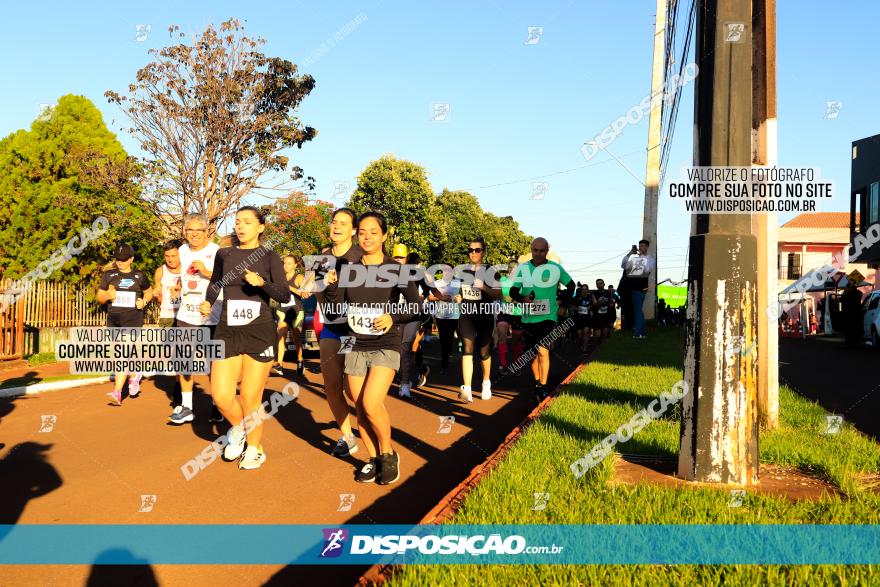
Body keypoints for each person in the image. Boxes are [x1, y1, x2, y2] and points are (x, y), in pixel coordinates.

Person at [322, 211, 423, 485]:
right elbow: (336, 307)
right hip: (354, 342)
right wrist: (330, 287)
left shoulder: (397, 270)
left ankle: (388, 453)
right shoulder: (347, 269)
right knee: (360, 406)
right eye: (363, 232)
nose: (367, 237)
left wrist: (393, 316)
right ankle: (372, 458)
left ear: (384, 235)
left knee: (370, 401)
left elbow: (417, 307)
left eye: (373, 232)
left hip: (385, 343)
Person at [198, 207, 290, 470]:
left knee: (250, 396)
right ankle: (239, 429)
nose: (240, 227)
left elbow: (283, 295)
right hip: (227, 329)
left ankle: (254, 448)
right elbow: (215, 284)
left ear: (260, 227)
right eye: (237, 222)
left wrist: (262, 283)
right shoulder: (224, 253)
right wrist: (207, 303)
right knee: (221, 395)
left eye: (247, 222)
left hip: (259, 330)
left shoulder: (270, 256)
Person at [308, 208, 363, 458]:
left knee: (353, 390)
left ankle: (370, 417)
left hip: (355, 329)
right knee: (331, 385)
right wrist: (318, 283)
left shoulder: (361, 256)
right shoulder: (321, 258)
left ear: (353, 230)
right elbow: (310, 287)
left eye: (343, 223)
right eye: (333, 222)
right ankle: (347, 436)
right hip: (331, 326)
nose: (336, 226)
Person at [169, 215, 224, 425]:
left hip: (211, 316)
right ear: (185, 232)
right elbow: (185, 277)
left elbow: (227, 280)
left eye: (198, 230)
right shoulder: (182, 251)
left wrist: (206, 271)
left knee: (212, 366)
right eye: (190, 230)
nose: (194, 234)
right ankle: (187, 408)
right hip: (186, 315)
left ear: (206, 232)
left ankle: (217, 406)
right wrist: (178, 287)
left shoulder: (217, 251)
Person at [510, 237, 575, 403]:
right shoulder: (523, 269)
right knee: (534, 356)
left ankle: (543, 387)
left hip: (548, 316)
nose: (538, 254)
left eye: (542, 251)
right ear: (531, 250)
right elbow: (513, 291)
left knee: (542, 350)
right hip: (529, 318)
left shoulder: (555, 268)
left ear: (547, 251)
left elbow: (571, 285)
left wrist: (565, 305)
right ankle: (538, 385)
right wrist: (522, 298)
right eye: (535, 250)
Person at [97, 243, 153, 406]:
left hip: (132, 320)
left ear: (131, 259)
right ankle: (135, 374)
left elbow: (148, 291)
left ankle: (117, 392)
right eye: (117, 259)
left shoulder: (139, 276)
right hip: (114, 320)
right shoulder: (109, 275)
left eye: (123, 259)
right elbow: (100, 297)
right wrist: (107, 295)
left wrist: (144, 301)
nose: (120, 262)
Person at [453, 237, 501, 402]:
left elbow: (498, 294)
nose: (473, 253)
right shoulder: (462, 271)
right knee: (467, 347)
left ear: (483, 252)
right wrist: (458, 297)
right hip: (467, 313)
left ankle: (486, 382)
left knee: (483, 351)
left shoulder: (490, 270)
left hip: (484, 314)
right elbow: (462, 291)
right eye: (470, 250)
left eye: (477, 250)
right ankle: (467, 388)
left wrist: (484, 288)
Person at [397, 250, 432, 397]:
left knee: (406, 348)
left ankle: (405, 384)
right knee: (398, 350)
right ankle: (421, 368)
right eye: (395, 257)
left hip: (413, 315)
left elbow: (428, 289)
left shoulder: (417, 274)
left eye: (401, 257)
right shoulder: (389, 272)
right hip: (396, 315)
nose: (398, 260)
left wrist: (420, 297)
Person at [273, 254, 306, 377]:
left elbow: (303, 291)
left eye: (289, 263)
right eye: (284, 263)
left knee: (296, 338)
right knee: (281, 336)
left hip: (296, 311)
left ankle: (300, 359)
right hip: (282, 310)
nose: (286, 265)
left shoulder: (299, 277)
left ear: (295, 265)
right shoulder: (280, 277)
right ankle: (279, 364)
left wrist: (289, 287)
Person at [620, 239, 655, 339]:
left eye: (643, 246)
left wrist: (641, 258)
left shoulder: (650, 259)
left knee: (638, 310)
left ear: (647, 247)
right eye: (640, 246)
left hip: (641, 287)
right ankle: (642, 333)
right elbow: (623, 265)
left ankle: (638, 333)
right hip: (633, 287)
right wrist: (630, 253)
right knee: (638, 310)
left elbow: (648, 269)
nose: (641, 248)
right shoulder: (635, 259)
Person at [431, 266, 461, 375]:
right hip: (440, 316)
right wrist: (441, 297)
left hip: (454, 315)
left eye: (448, 270)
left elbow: (463, 296)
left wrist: (460, 299)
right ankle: (446, 359)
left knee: (448, 338)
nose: (446, 272)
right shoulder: (437, 283)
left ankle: (445, 364)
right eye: (444, 270)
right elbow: (430, 297)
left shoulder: (458, 283)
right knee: (444, 339)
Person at [496, 262, 524, 370]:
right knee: (502, 334)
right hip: (504, 312)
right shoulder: (502, 281)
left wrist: (515, 300)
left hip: (518, 313)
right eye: (511, 268)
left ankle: (517, 364)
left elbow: (527, 298)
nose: (512, 270)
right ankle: (503, 365)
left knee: (516, 340)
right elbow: (494, 293)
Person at [153, 240, 182, 328]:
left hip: (186, 316)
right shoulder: (160, 271)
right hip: (167, 317)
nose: (170, 259)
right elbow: (157, 298)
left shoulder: (188, 270)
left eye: (173, 256)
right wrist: (156, 296)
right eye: (167, 256)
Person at [591, 278, 615, 343]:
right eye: (597, 284)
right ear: (596, 286)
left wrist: (610, 302)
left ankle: (601, 348)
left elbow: (611, 304)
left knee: (605, 334)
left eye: (601, 283)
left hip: (605, 317)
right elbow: (595, 305)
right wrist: (600, 302)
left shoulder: (608, 293)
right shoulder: (594, 294)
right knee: (598, 335)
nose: (599, 285)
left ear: (604, 284)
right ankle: (597, 342)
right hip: (597, 317)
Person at [841, 282, 864, 349]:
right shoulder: (858, 293)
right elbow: (841, 300)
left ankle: (850, 343)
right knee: (854, 329)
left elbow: (841, 300)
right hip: (855, 314)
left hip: (851, 314)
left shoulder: (849, 294)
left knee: (850, 330)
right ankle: (855, 343)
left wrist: (845, 292)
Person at [572, 283, 593, 352]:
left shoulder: (590, 297)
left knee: (586, 332)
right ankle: (580, 340)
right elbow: (572, 305)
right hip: (579, 318)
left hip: (587, 318)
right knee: (580, 334)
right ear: (581, 290)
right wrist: (576, 308)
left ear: (588, 290)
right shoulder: (577, 297)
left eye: (586, 289)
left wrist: (591, 307)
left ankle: (585, 349)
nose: (584, 290)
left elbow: (594, 304)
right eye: (583, 289)